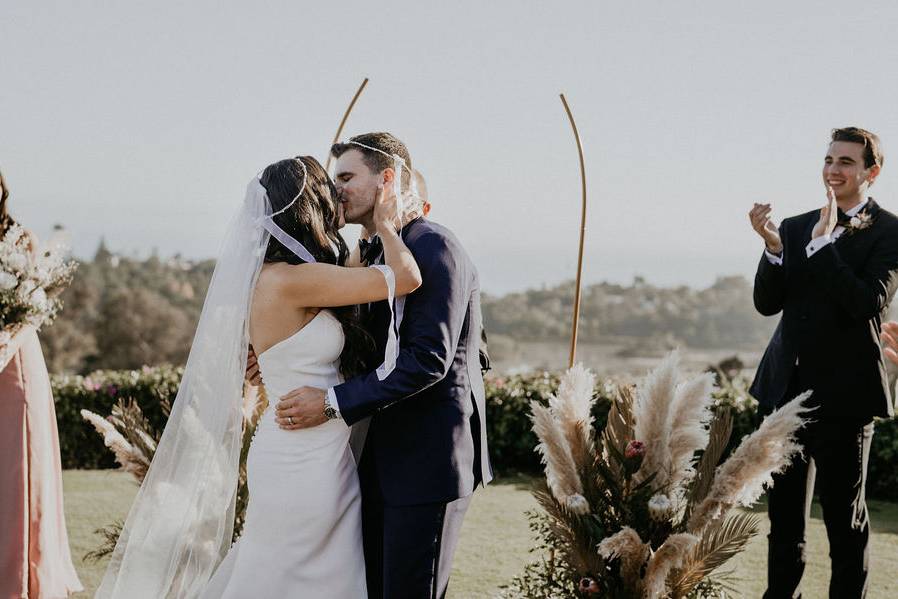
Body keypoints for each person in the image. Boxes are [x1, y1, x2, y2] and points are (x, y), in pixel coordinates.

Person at [97, 155, 421, 598]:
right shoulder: (293, 281)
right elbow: (405, 277)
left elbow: (348, 269)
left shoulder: (279, 278)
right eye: (330, 192)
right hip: (303, 458)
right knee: (295, 577)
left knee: (287, 575)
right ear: (311, 206)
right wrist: (384, 222)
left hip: (312, 447)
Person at [275, 132, 492, 599]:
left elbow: (426, 360)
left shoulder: (434, 247)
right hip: (375, 459)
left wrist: (330, 403)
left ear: (387, 180)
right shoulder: (375, 255)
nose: (338, 191)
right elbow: (366, 348)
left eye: (348, 177)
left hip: (425, 462)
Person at [748, 127, 898, 598]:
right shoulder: (794, 226)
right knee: (784, 524)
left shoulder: (891, 231)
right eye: (830, 159)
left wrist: (824, 246)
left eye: (847, 162)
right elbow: (767, 305)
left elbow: (867, 302)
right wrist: (774, 249)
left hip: (846, 399)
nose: (834, 169)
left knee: (844, 524)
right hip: (784, 393)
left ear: (871, 172)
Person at [0, 169, 83, 598]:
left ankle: (20, 582)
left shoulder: (19, 239)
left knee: (16, 473)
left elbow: (28, 310)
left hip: (13, 366)